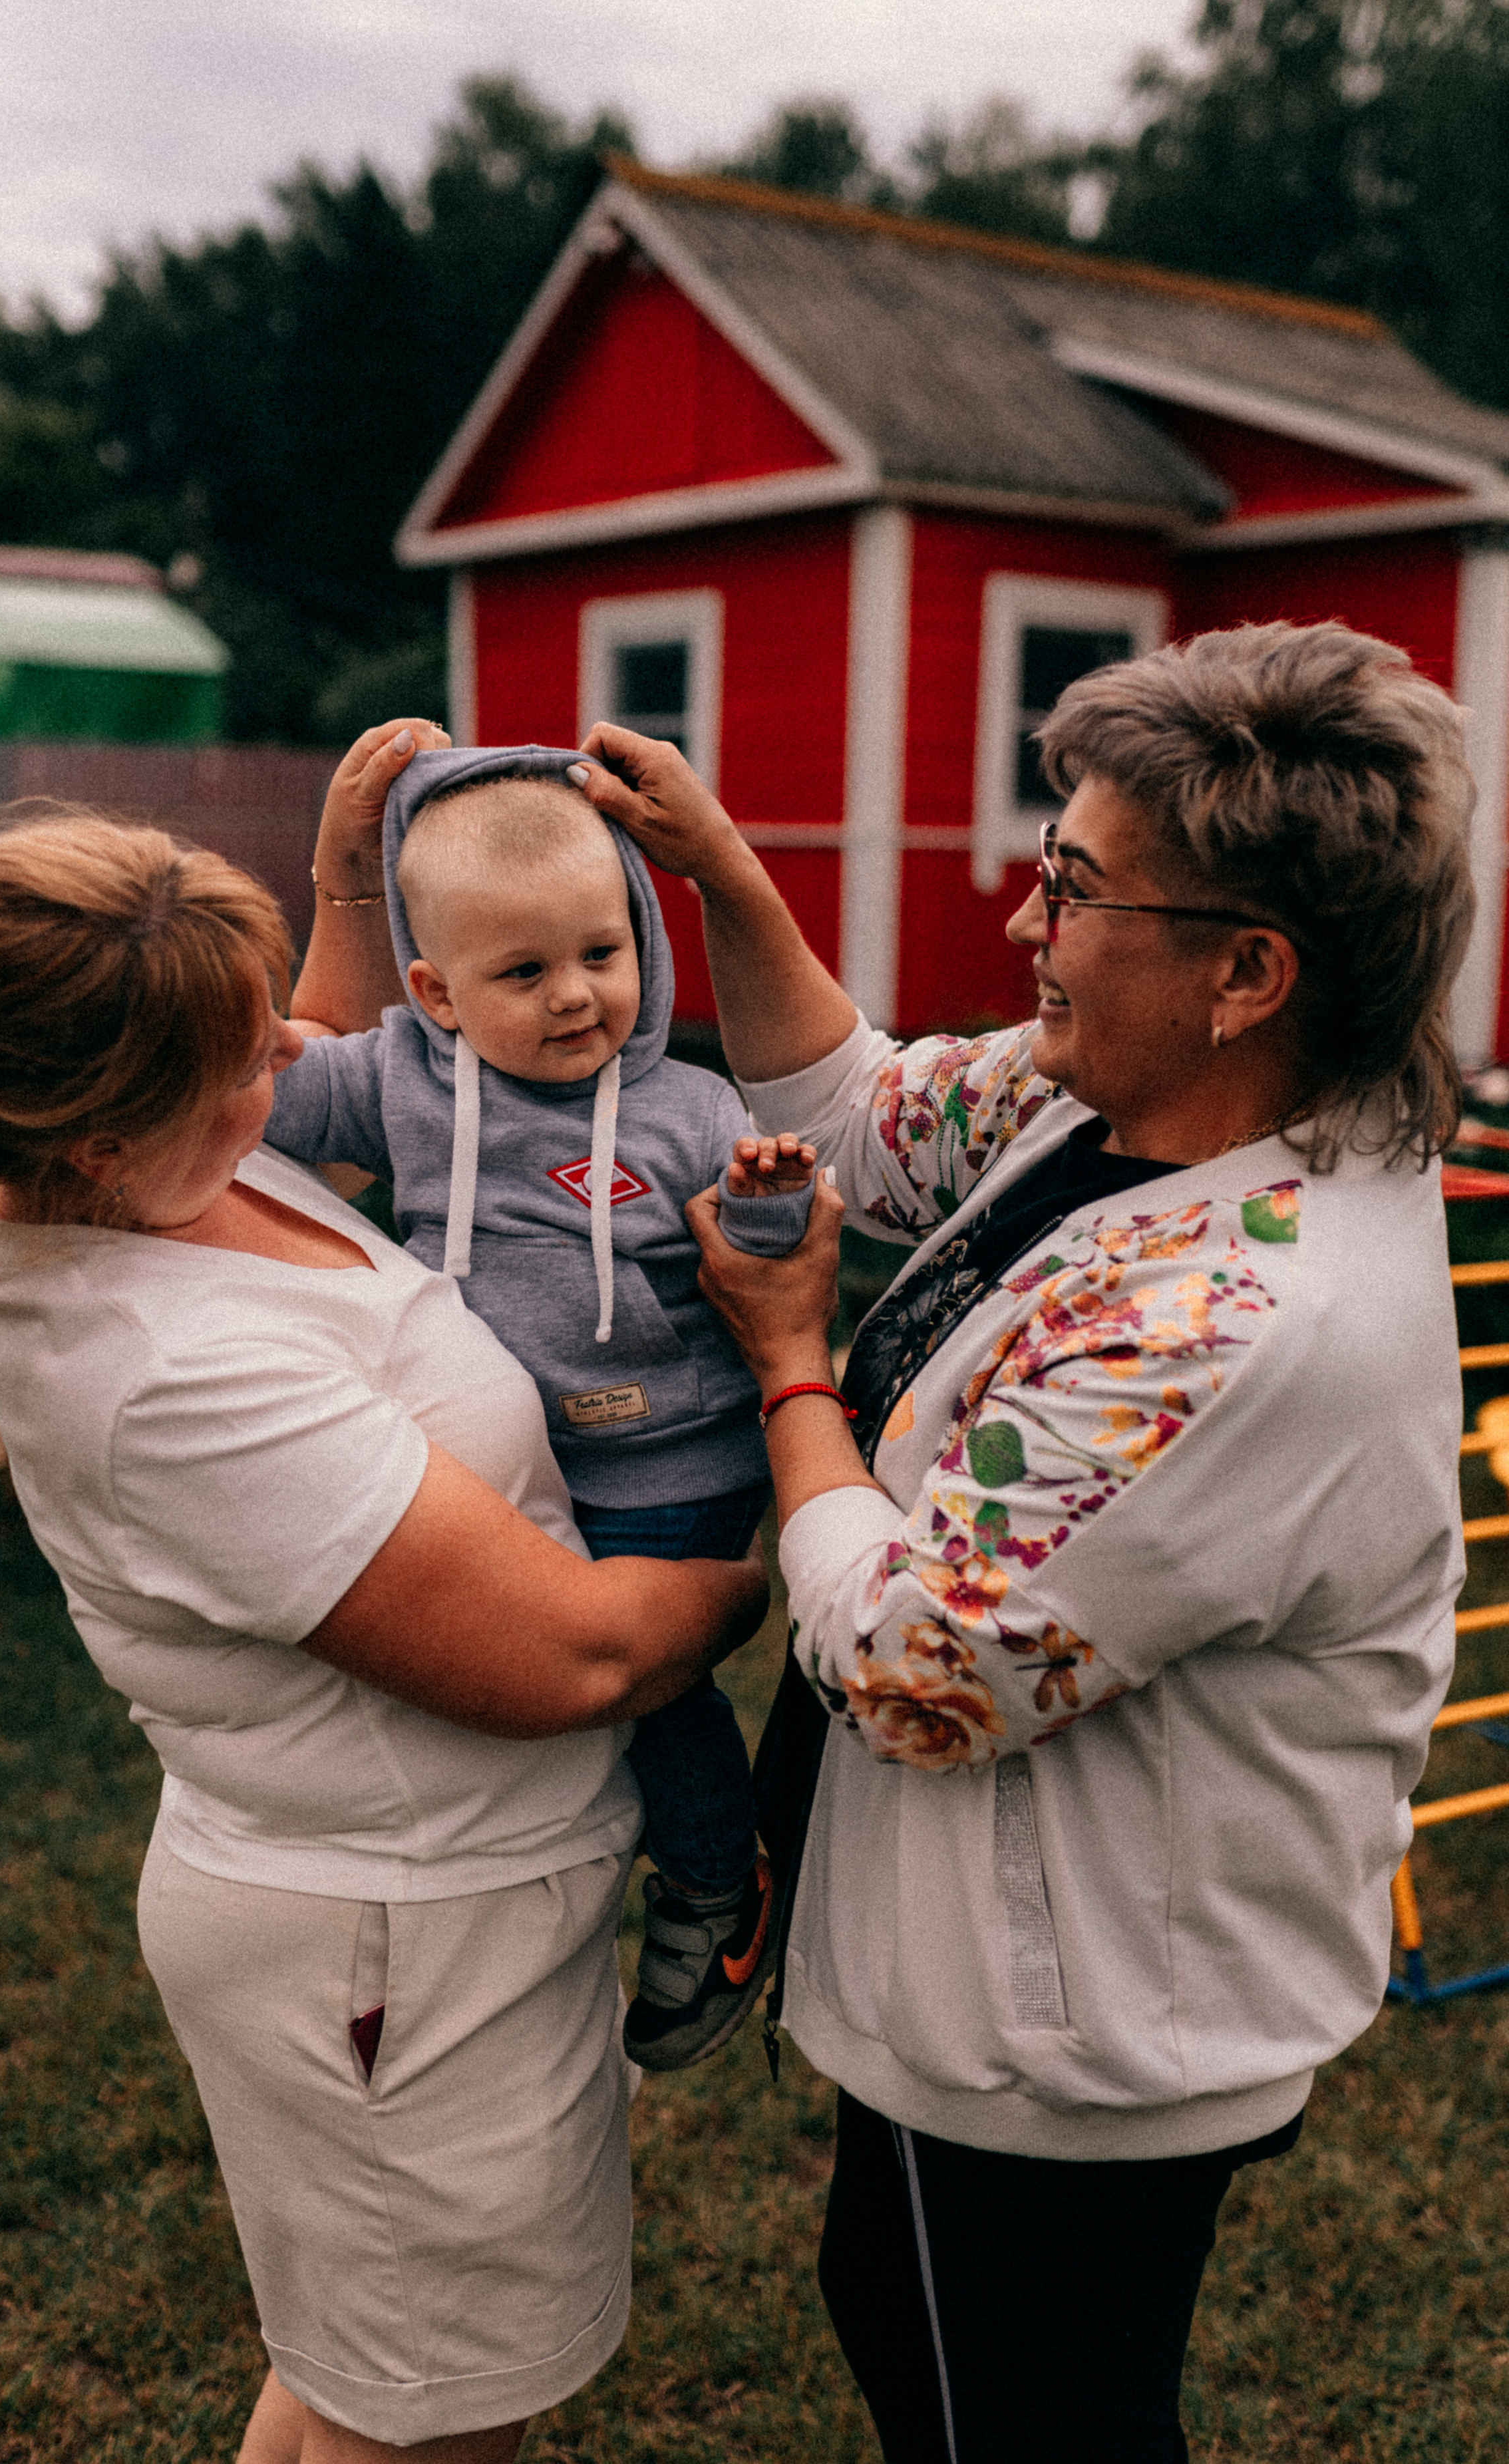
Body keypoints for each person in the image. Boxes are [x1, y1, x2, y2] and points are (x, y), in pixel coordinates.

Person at [0, 723, 767, 2464]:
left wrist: (335, 872)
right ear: (105, 1136)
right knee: (433, 2425)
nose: (301, 1051)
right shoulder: (166, 1371)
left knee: (355, 2391)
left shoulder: (148, 1164)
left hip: (429, 1925)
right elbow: (575, 1652)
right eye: (244, 1049)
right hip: (399, 1968)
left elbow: (305, 1066)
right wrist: (792, 1465)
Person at [569, 619, 1467, 2464]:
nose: (1021, 922)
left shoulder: (1232, 1326)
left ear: (1244, 971)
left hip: (1070, 2049)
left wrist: (794, 1363)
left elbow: (917, 1661)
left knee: (1023, 2415)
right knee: (925, 2344)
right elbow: (862, 1105)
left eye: (1073, 885)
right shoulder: (1119, 1107)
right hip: (1008, 1998)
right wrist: (725, 875)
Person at [263, 743, 813, 2070]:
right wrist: (321, 888)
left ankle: (712, 1884)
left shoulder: (687, 1108)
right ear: (433, 993)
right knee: (480, 1654)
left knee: (637, 1682)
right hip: (502, 1464)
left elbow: (760, 1253)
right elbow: (268, 1097)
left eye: (602, 952)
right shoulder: (396, 1078)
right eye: (523, 973)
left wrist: (764, 1198)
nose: (577, 997)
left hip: (666, 1460)